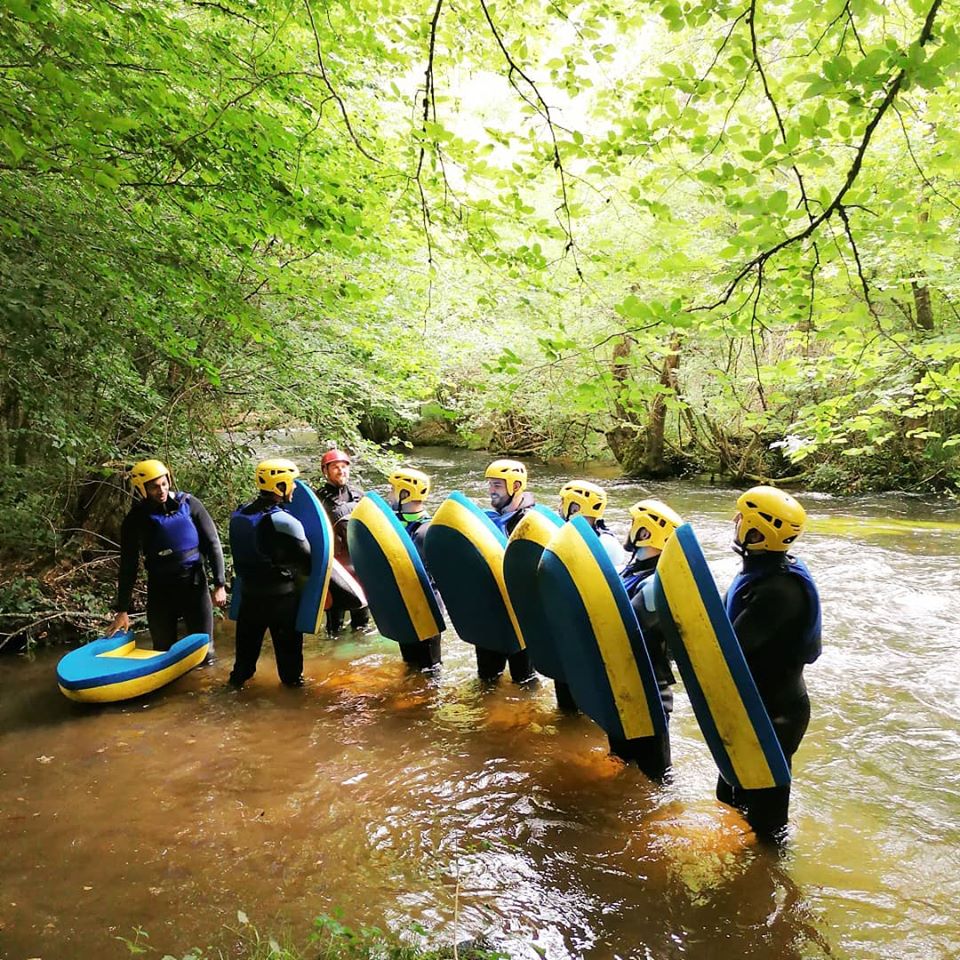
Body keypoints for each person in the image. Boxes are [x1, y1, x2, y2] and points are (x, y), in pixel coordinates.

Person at [718, 485, 822, 843]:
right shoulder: (762, 571)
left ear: (758, 530)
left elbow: (729, 648)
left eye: (741, 518)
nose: (734, 522)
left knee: (766, 827)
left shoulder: (780, 590)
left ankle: (772, 883)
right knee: (730, 798)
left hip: (777, 715)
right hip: (758, 706)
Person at [109, 459, 226, 664]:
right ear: (142, 489)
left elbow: (212, 543)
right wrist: (123, 609)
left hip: (194, 586)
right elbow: (128, 565)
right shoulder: (135, 520)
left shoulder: (190, 504)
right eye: (154, 487)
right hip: (161, 590)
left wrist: (220, 584)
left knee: (205, 653)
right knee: (162, 652)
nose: (161, 490)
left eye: (164, 484)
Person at [612, 498, 683, 781]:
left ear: (646, 532)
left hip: (652, 691)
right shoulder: (636, 569)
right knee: (622, 762)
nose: (630, 530)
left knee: (657, 779)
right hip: (627, 686)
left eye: (634, 524)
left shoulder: (656, 584)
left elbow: (628, 627)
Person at [227, 459, 312, 688]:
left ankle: (229, 704)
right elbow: (308, 560)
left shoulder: (238, 515)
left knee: (242, 670)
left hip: (249, 600)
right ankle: (296, 715)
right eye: (292, 482)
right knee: (291, 674)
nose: (294, 487)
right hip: (281, 603)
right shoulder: (283, 520)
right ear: (281, 486)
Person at [478, 458, 536, 683]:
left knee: (525, 682)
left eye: (497, 486)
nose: (491, 491)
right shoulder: (486, 519)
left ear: (516, 486)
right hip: (490, 613)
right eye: (490, 485)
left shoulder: (532, 523)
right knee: (486, 680)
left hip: (520, 617)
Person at [387, 467, 442, 671]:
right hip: (404, 606)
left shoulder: (427, 531)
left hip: (426, 609)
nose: (389, 494)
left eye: (392, 489)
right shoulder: (394, 524)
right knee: (410, 665)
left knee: (430, 670)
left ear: (405, 493)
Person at [317, 446, 369, 633]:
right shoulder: (318, 500)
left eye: (344, 466)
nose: (341, 470)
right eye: (335, 467)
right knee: (334, 628)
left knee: (362, 624)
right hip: (335, 569)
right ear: (326, 471)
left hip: (359, 565)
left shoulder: (360, 496)